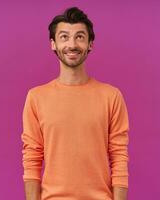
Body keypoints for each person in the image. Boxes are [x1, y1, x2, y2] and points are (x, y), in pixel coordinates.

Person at [21, 6, 130, 200]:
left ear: (90, 44)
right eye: (64, 37)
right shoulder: (36, 97)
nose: (72, 44)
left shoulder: (111, 96)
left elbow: (119, 156)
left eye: (80, 37)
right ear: (53, 44)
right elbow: (32, 159)